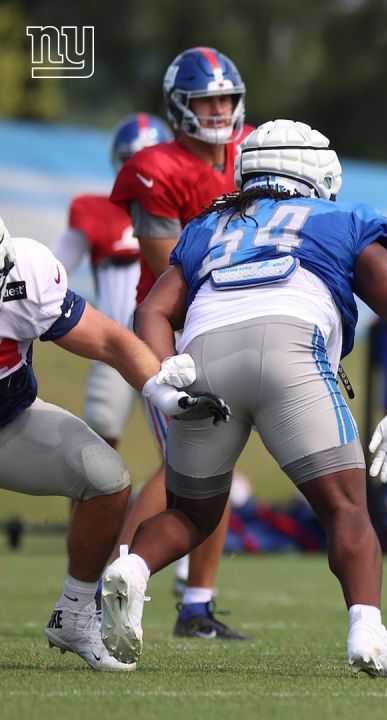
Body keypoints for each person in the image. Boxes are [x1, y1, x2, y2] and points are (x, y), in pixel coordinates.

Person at [102, 119, 387, 678]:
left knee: (190, 514)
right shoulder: (342, 217)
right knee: (346, 510)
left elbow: (151, 309)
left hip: (204, 354)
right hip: (291, 348)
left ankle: (132, 568)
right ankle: (367, 631)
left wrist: (165, 371)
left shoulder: (207, 226)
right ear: (318, 172)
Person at [0, 217, 226, 672]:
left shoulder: (24, 271)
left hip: (9, 419)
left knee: (105, 478)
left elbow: (109, 340)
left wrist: (165, 394)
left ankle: (76, 613)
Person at [109, 46, 253, 640]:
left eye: (225, 98)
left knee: (216, 463)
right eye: (205, 100)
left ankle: (197, 603)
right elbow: (168, 266)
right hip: (168, 329)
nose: (218, 111)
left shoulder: (252, 154)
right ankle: (110, 579)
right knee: (183, 464)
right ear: (179, 107)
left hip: (229, 319)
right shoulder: (154, 168)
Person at [51, 113, 173, 450]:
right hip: (116, 342)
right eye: (134, 163)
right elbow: (50, 269)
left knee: (187, 451)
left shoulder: (186, 211)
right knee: (99, 442)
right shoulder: (96, 210)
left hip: (173, 345)